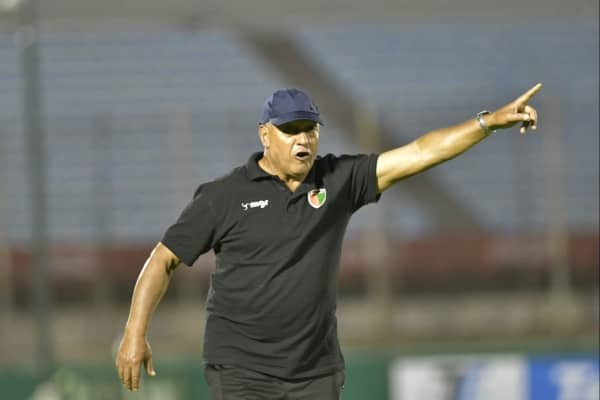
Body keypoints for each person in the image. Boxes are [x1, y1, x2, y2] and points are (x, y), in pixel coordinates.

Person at [116, 84, 542, 399]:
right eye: (291, 130)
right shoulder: (223, 196)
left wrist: (486, 123)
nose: (304, 140)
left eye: (310, 129)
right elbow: (162, 259)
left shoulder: (337, 180)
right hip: (242, 369)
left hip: (314, 372)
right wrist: (135, 333)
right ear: (265, 135)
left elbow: (420, 152)